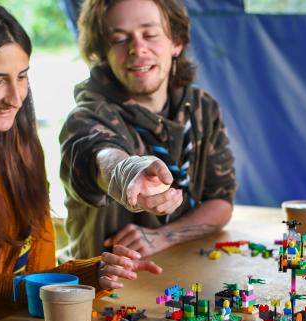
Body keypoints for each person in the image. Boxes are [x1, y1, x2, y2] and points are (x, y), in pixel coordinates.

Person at [0, 0, 163, 321]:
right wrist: (73, 281)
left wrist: (94, 274)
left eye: (22, 77)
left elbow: (39, 271)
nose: (15, 97)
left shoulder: (23, 148)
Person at [59, 0, 236, 260]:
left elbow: (221, 201)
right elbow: (97, 153)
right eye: (119, 39)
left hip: (181, 274)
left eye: (150, 35)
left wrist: (164, 236)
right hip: (101, 286)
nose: (137, 49)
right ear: (103, 52)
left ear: (176, 42)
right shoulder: (88, 115)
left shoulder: (202, 108)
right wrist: (127, 172)